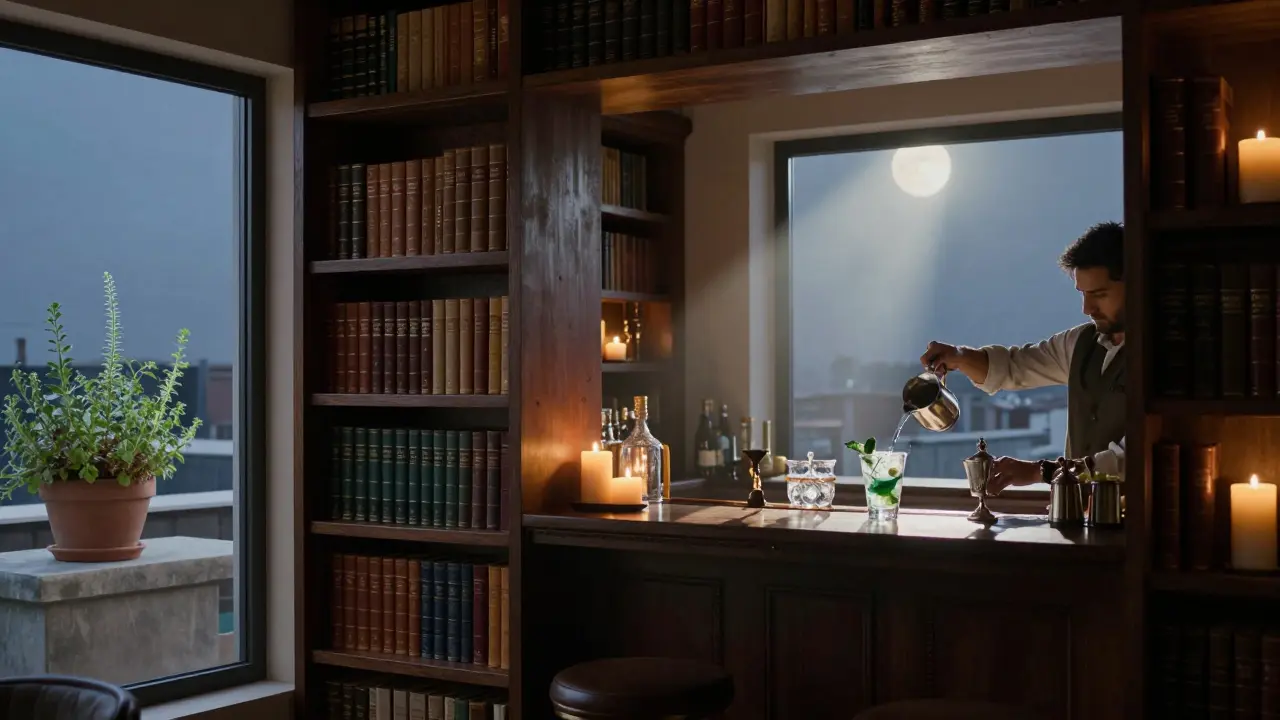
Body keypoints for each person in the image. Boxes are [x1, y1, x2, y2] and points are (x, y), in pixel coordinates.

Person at [920, 221, 1125, 495]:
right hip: (1082, 521)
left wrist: (1040, 471)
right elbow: (1015, 366)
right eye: (1083, 294)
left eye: (1099, 295)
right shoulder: (1079, 343)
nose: (1087, 308)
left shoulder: (1168, 356)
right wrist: (959, 356)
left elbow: (1128, 459)